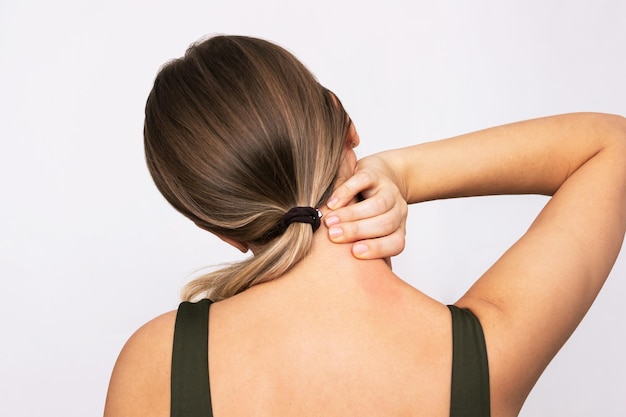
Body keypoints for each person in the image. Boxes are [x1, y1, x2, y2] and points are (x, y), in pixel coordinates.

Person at [103, 35, 626, 417]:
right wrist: (401, 172)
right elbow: (614, 147)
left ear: (220, 227)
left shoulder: (154, 367)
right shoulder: (483, 354)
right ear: (342, 117)